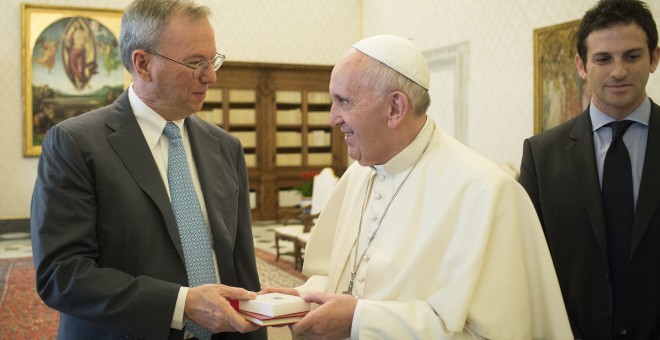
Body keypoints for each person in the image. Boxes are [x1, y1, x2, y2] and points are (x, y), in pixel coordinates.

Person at [263, 34, 572, 339]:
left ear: (395, 108)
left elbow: (492, 333)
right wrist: (300, 298)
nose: (332, 119)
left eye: (343, 101)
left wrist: (360, 321)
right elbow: (341, 276)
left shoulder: (486, 193)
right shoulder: (358, 175)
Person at [30, 0, 266, 339]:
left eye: (212, 61)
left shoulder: (225, 147)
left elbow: (242, 271)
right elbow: (62, 274)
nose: (211, 76)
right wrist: (180, 305)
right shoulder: (76, 145)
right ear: (143, 64)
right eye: (195, 63)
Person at [518, 0, 660, 338]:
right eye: (603, 58)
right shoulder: (541, 155)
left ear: (654, 58)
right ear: (581, 66)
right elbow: (528, 262)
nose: (618, 71)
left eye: (632, 56)